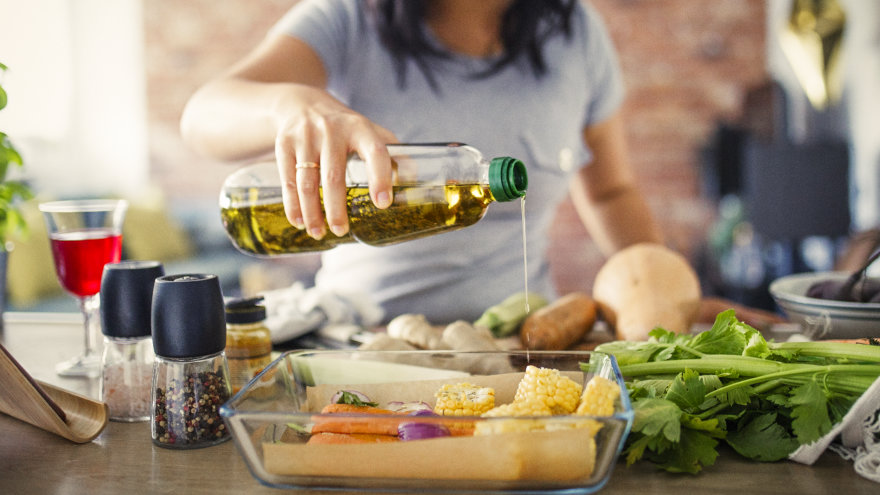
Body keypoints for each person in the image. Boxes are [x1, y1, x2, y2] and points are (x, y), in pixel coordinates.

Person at [181, 0, 782, 329]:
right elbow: (202, 117)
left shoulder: (577, 33)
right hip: (363, 341)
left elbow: (611, 190)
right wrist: (291, 104)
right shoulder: (345, 19)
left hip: (527, 344)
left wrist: (668, 289)